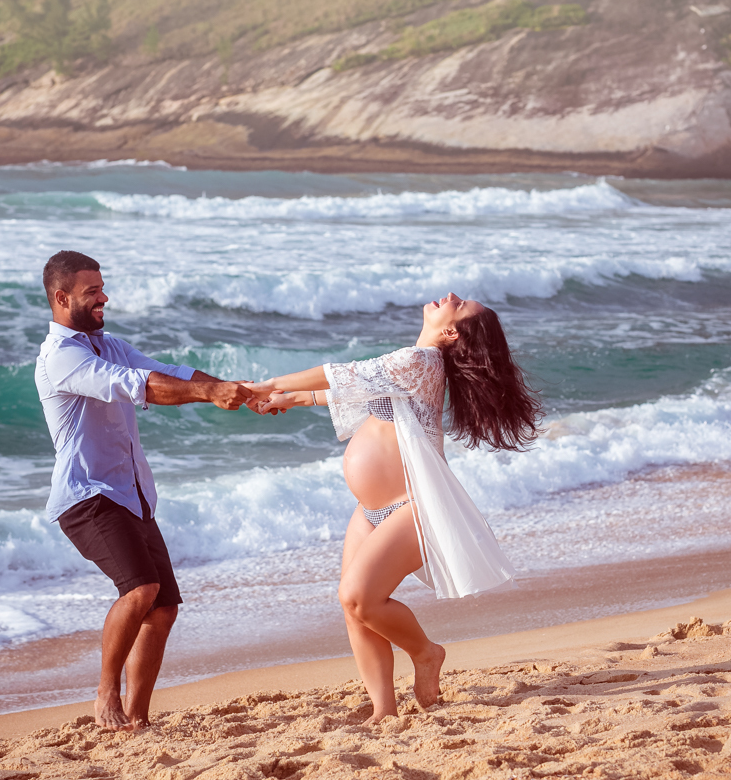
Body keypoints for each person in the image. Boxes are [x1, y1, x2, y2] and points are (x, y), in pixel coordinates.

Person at [247, 293, 542, 722]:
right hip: (371, 510)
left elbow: (343, 373)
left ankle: (426, 652)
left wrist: (267, 385)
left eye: (459, 305)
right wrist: (292, 400)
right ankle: (384, 711)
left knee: (358, 597)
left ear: (450, 331)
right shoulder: (418, 365)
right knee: (356, 611)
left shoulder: (420, 360)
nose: (451, 297)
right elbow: (362, 393)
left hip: (412, 507)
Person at [35, 250, 257, 731]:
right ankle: (105, 695)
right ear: (61, 297)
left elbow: (168, 371)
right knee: (140, 590)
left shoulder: (110, 344)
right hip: (87, 497)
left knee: (163, 609)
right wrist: (209, 394)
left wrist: (234, 390)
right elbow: (141, 387)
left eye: (102, 287)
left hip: (130, 495)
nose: (104, 297)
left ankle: (137, 718)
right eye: (91, 291)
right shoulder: (63, 358)